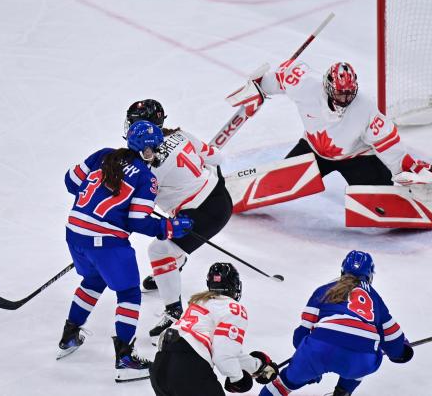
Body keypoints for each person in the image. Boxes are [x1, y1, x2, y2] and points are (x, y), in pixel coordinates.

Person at [56, 120, 194, 383]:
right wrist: (169, 226)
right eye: (155, 147)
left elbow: (71, 182)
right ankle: (125, 358)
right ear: (146, 150)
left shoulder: (103, 154)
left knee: (94, 280)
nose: (158, 151)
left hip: (74, 234)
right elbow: (138, 221)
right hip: (106, 242)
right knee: (129, 292)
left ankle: (70, 334)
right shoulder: (146, 177)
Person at [123, 99, 233, 339]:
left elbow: (136, 207)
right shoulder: (181, 135)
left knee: (159, 250)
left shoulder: (146, 167)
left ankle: (174, 312)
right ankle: (173, 265)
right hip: (221, 197)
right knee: (172, 239)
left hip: (200, 214)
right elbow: (217, 159)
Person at [241, 60, 432, 186]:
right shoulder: (306, 85)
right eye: (340, 94)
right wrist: (259, 88)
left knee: (382, 194)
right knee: (279, 183)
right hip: (313, 150)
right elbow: (277, 79)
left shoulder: (365, 107)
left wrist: (409, 167)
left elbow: (388, 144)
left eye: (349, 93)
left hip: (356, 157)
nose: (345, 99)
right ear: (329, 88)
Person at [260, 250, 413, 396]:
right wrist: (402, 352)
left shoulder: (324, 290)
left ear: (342, 271)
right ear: (370, 276)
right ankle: (343, 391)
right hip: (360, 360)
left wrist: (308, 366)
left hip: (319, 350)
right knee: (370, 347)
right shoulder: (376, 299)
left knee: (282, 384)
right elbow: (394, 343)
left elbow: (300, 335)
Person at [150, 262, 279, 396]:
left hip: (160, 368)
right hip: (188, 370)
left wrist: (259, 367)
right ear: (234, 285)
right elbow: (223, 356)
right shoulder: (233, 308)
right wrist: (238, 380)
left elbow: (229, 353)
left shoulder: (199, 302)